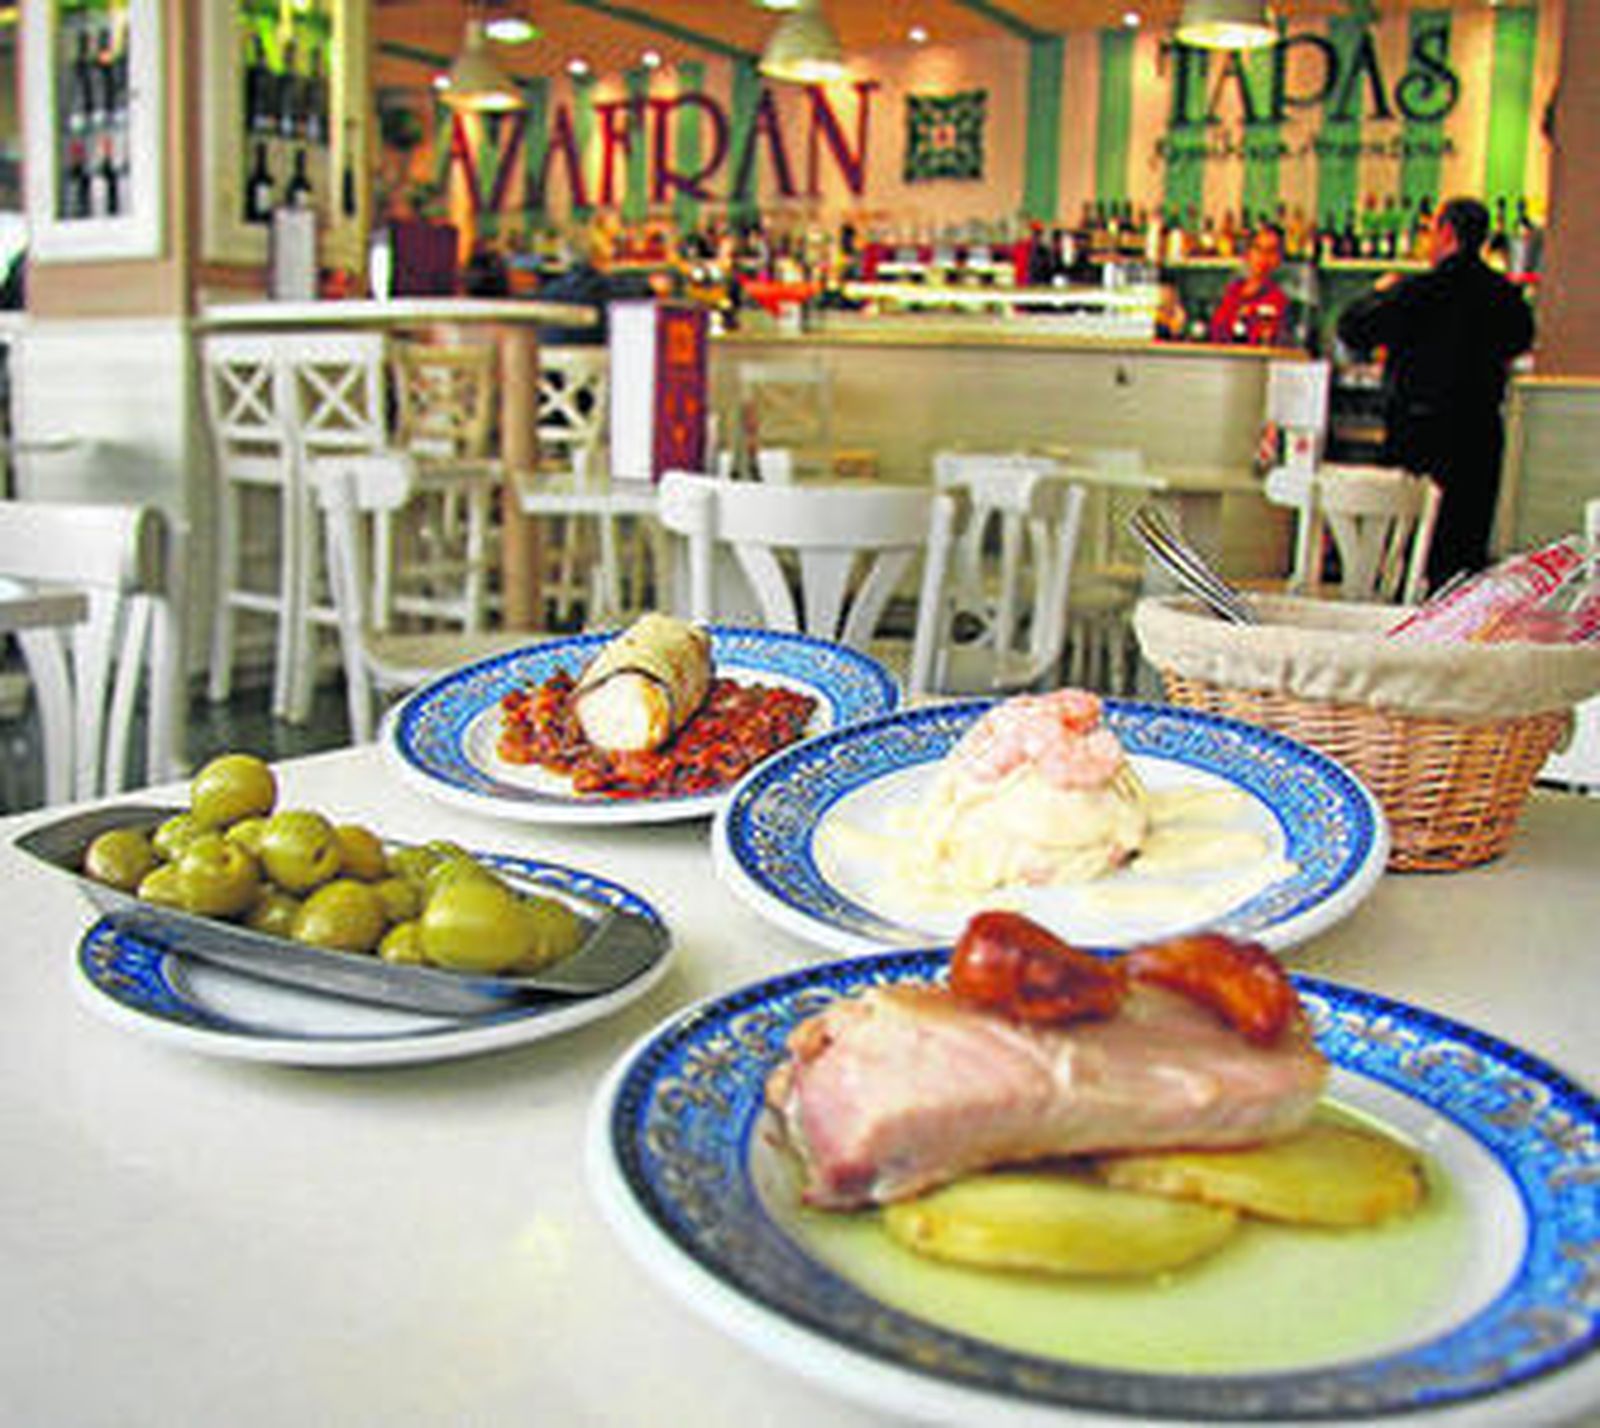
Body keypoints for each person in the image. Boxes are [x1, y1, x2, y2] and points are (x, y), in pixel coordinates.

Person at [1337, 196, 1535, 588]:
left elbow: (1353, 328)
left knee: (1407, 548)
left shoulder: (1418, 291)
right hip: (1480, 432)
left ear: (1446, 232)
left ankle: (1402, 626)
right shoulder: (1505, 296)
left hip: (1419, 431)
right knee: (1463, 552)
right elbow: (1521, 340)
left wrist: (1380, 290)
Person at [1208, 224, 1291, 346]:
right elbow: (1215, 331)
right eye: (1258, 248)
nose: (1263, 257)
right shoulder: (1232, 291)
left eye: (1270, 251)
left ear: (1279, 258)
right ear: (1248, 253)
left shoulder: (1279, 300)